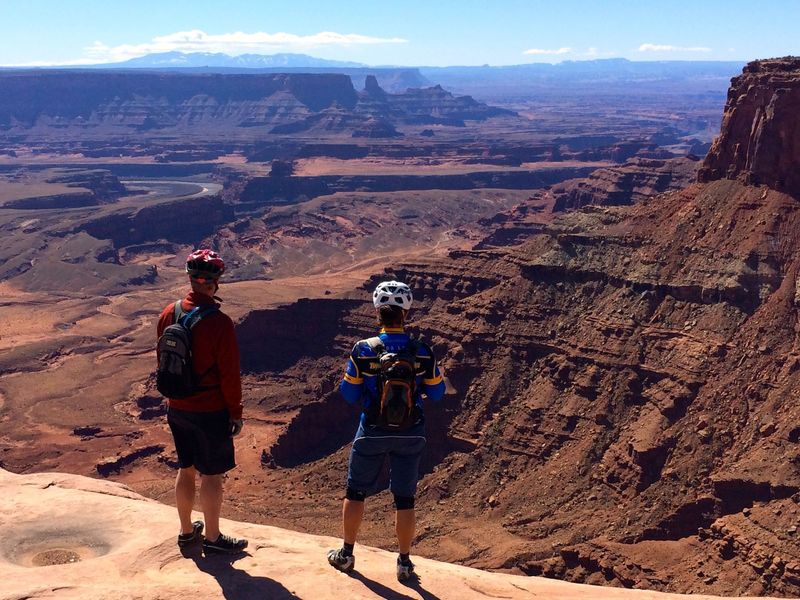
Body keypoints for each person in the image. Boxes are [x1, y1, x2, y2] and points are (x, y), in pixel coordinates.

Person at [328, 280, 445, 581]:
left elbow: (349, 395)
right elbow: (437, 394)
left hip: (372, 431)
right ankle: (404, 563)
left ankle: (346, 554)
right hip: (411, 432)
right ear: (406, 313)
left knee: (355, 492)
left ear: (378, 311)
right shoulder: (422, 351)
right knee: (405, 499)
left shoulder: (363, 350)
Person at [156, 249, 248, 554]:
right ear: (215, 282)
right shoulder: (219, 323)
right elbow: (229, 375)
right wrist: (235, 413)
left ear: (191, 280)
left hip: (177, 407)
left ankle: (185, 531)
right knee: (211, 475)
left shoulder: (168, 312)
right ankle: (212, 538)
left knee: (186, 469)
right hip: (209, 411)